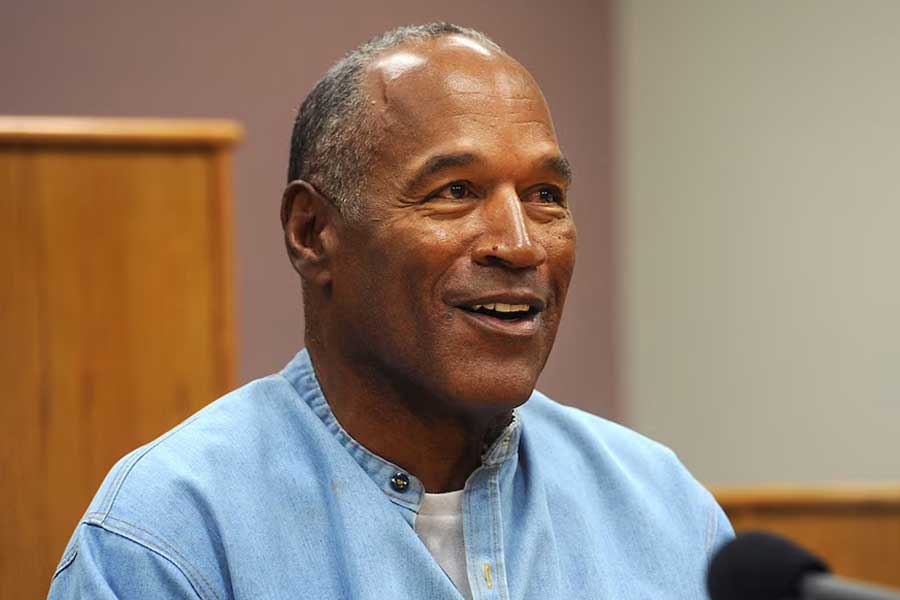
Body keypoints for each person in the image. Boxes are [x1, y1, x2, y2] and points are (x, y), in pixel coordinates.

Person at [49, 23, 732, 599]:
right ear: (312, 232)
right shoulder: (171, 536)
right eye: (456, 190)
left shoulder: (665, 512)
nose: (520, 244)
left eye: (545, 194)